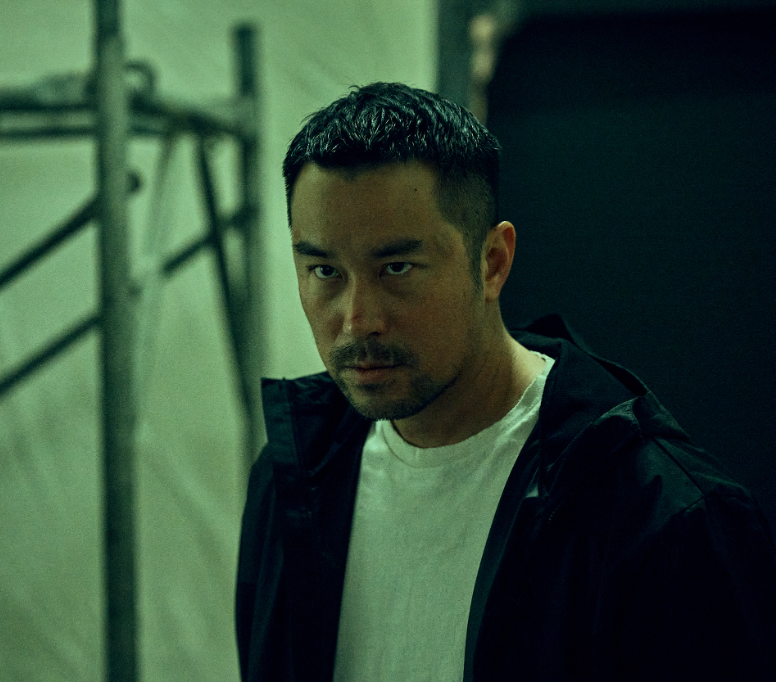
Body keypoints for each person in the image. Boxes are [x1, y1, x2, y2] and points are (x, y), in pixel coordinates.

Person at [235, 82, 776, 682]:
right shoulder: (293, 478)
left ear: (492, 262)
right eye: (324, 271)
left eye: (397, 268)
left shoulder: (662, 516)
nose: (358, 319)